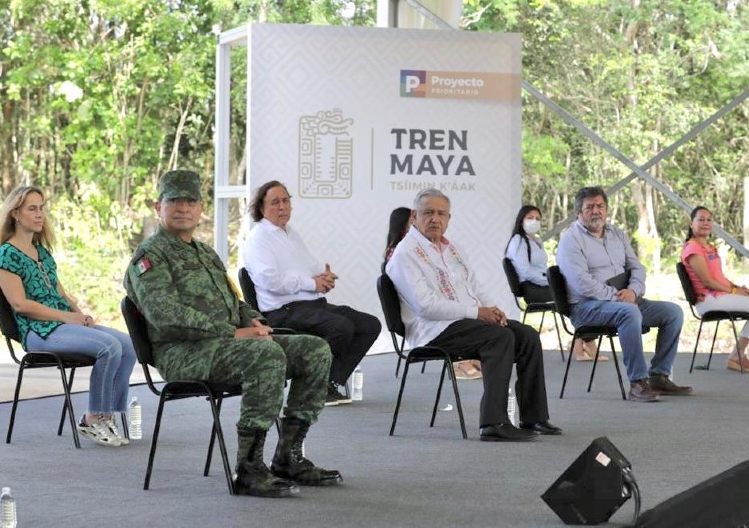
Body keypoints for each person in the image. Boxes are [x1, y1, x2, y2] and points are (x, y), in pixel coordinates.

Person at [124, 170, 341, 498]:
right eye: (174, 201)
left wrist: (253, 321)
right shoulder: (150, 256)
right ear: (158, 207)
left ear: (200, 209)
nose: (183, 208)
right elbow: (164, 315)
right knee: (264, 355)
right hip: (182, 353)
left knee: (315, 349)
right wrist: (231, 332)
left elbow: (233, 301)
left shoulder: (205, 253)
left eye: (191, 201)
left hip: (224, 345)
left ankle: (289, 457)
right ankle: (249, 469)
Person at [385, 188, 561, 441]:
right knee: (498, 338)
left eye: (441, 213)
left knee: (526, 335)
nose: (435, 218)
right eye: (428, 213)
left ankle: (534, 418)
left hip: (464, 321)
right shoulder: (405, 253)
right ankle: (493, 423)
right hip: (432, 329)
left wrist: (493, 310)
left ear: (449, 218)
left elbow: (473, 286)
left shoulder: (452, 248)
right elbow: (425, 306)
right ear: (414, 216)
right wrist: (478, 313)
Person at [0, 186, 136, 447]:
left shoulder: (42, 252)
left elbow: (61, 294)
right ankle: (92, 419)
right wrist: (66, 318)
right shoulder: (6, 256)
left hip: (62, 324)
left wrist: (80, 315)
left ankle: (106, 416)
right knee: (108, 346)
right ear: (15, 213)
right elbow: (20, 304)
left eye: (41, 208)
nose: (39, 215)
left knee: (127, 345)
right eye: (32, 209)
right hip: (38, 332)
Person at [242, 180, 382, 406]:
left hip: (310, 304)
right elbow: (271, 282)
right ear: (261, 208)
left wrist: (323, 277)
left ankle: (328, 382)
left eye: (286, 201)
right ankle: (315, 385)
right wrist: (311, 284)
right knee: (341, 327)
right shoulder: (259, 238)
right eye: (275, 202)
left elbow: (311, 265)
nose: (282, 207)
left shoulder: (290, 232)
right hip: (283, 310)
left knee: (370, 324)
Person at [556, 186, 692, 402]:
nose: (596, 211)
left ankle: (658, 376)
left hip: (625, 299)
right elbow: (581, 282)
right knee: (629, 313)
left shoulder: (616, 234)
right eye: (589, 207)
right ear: (578, 213)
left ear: (606, 210)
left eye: (600, 206)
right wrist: (616, 296)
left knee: (673, 312)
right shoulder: (570, 240)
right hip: (586, 307)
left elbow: (637, 267)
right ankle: (638, 383)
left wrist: (633, 290)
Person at [385, 205, 482, 380]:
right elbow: (424, 302)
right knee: (491, 334)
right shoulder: (401, 253)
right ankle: (464, 361)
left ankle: (475, 358)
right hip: (425, 322)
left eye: (441, 214)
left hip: (441, 313)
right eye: (412, 221)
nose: (433, 220)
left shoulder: (444, 249)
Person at [505, 204, 605, 363]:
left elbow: (541, 268)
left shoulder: (536, 240)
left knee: (581, 291)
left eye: (537, 218)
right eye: (530, 218)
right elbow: (525, 272)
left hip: (541, 284)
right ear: (521, 220)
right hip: (531, 288)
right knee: (575, 295)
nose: (534, 221)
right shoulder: (518, 241)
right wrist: (549, 282)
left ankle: (581, 342)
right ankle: (586, 342)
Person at [681, 206, 749, 372]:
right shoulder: (693, 248)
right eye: (701, 219)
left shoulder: (709, 246)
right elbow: (707, 282)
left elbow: (718, 277)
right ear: (691, 223)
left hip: (720, 294)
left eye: (709, 219)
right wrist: (734, 292)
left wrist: (736, 287)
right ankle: (736, 355)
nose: (705, 223)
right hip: (708, 300)